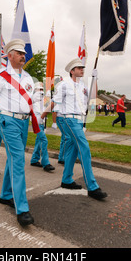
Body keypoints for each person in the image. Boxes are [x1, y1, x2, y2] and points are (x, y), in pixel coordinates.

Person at [0, 39, 37, 226]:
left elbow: (29, 101)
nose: (23, 56)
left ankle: (5, 195)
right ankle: (22, 208)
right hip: (8, 121)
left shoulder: (28, 77)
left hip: (23, 122)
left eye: (24, 53)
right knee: (18, 160)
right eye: (19, 53)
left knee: (13, 159)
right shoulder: (0, 76)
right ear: (9, 55)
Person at [52, 58, 107, 201]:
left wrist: (95, 79)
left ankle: (66, 180)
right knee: (84, 147)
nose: (82, 69)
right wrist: (43, 117)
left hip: (78, 119)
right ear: (72, 71)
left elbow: (92, 96)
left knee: (73, 149)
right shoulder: (64, 84)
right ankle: (92, 187)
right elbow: (54, 101)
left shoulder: (82, 85)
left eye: (83, 68)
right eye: (79, 68)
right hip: (67, 118)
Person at [30, 82, 55, 172]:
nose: (41, 91)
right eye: (39, 89)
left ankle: (34, 159)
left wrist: (48, 95)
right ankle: (46, 163)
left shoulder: (42, 100)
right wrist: (46, 93)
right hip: (37, 124)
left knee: (39, 141)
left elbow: (47, 106)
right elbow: (38, 96)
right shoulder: (35, 97)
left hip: (41, 124)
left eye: (42, 89)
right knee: (44, 141)